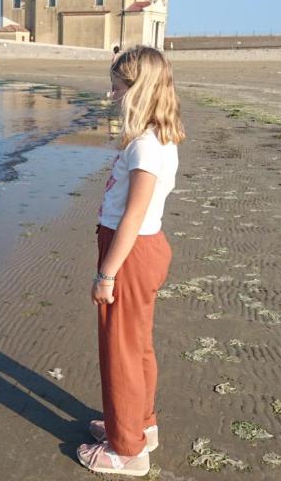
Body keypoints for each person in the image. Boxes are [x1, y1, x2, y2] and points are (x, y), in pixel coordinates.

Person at [77, 46, 185, 476]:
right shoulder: (157, 136)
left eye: (118, 86)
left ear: (137, 90)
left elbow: (134, 216)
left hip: (131, 253)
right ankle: (140, 424)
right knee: (136, 345)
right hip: (140, 250)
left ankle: (127, 450)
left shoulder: (145, 146)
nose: (112, 94)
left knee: (120, 351)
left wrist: (107, 274)